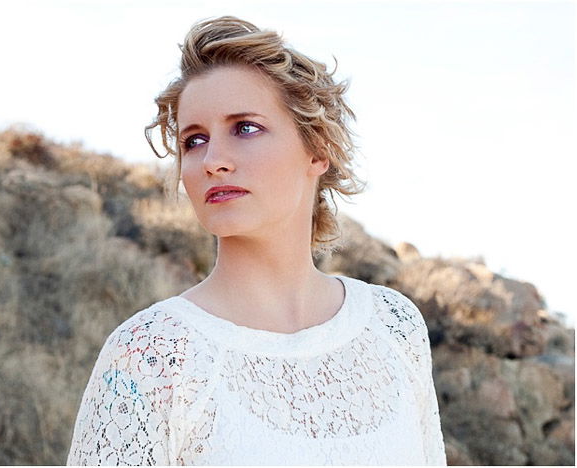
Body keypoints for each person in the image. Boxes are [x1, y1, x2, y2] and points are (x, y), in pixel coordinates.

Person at [67, 15, 446, 466]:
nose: (213, 160)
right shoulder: (151, 355)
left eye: (245, 127)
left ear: (317, 149)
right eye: (194, 140)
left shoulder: (393, 326)